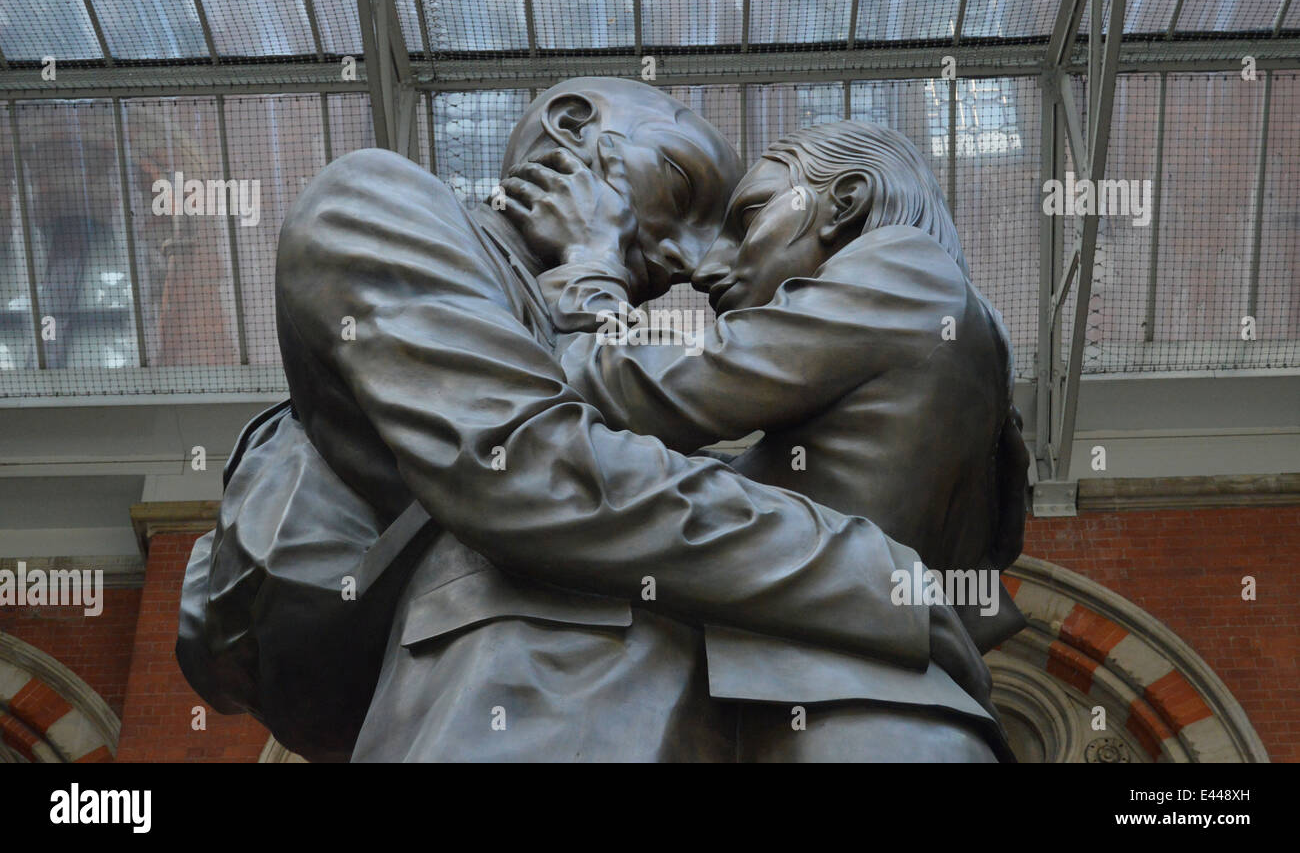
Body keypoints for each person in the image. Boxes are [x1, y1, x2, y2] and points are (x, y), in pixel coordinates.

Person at [179, 79, 995, 762]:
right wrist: (872, 577)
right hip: (527, 710)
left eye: (722, 228)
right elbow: (533, 468)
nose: (690, 262)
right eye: (681, 190)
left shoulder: (905, 293)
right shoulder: (381, 203)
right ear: (572, 128)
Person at [509, 120, 1028, 760]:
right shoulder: (971, 350)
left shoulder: (905, 267)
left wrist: (590, 261)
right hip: (875, 707)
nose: (704, 269)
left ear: (846, 203)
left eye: (747, 218)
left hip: (842, 709)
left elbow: (633, 389)